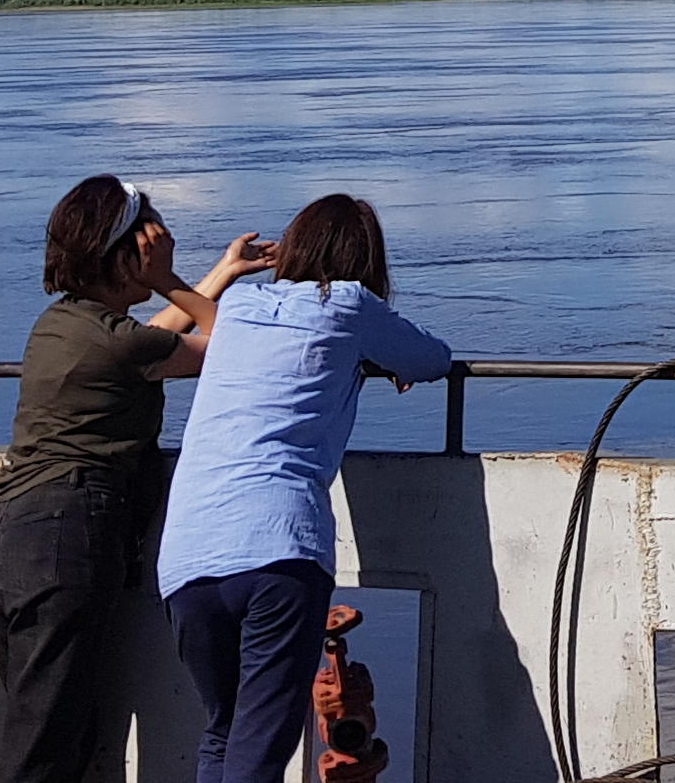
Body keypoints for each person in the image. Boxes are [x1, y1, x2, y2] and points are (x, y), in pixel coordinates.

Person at [156, 193, 455, 783]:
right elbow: (433, 358)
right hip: (278, 548)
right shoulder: (349, 304)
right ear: (364, 260)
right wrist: (380, 358)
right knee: (258, 753)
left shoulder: (238, 303)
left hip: (187, 557)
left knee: (222, 732)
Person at [0, 176, 269, 783]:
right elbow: (241, 347)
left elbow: (154, 338)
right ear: (123, 256)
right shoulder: (117, 344)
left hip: (10, 540)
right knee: (42, 753)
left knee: (52, 734)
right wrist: (167, 278)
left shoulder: (63, 323)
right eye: (147, 247)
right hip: (65, 538)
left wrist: (222, 271)